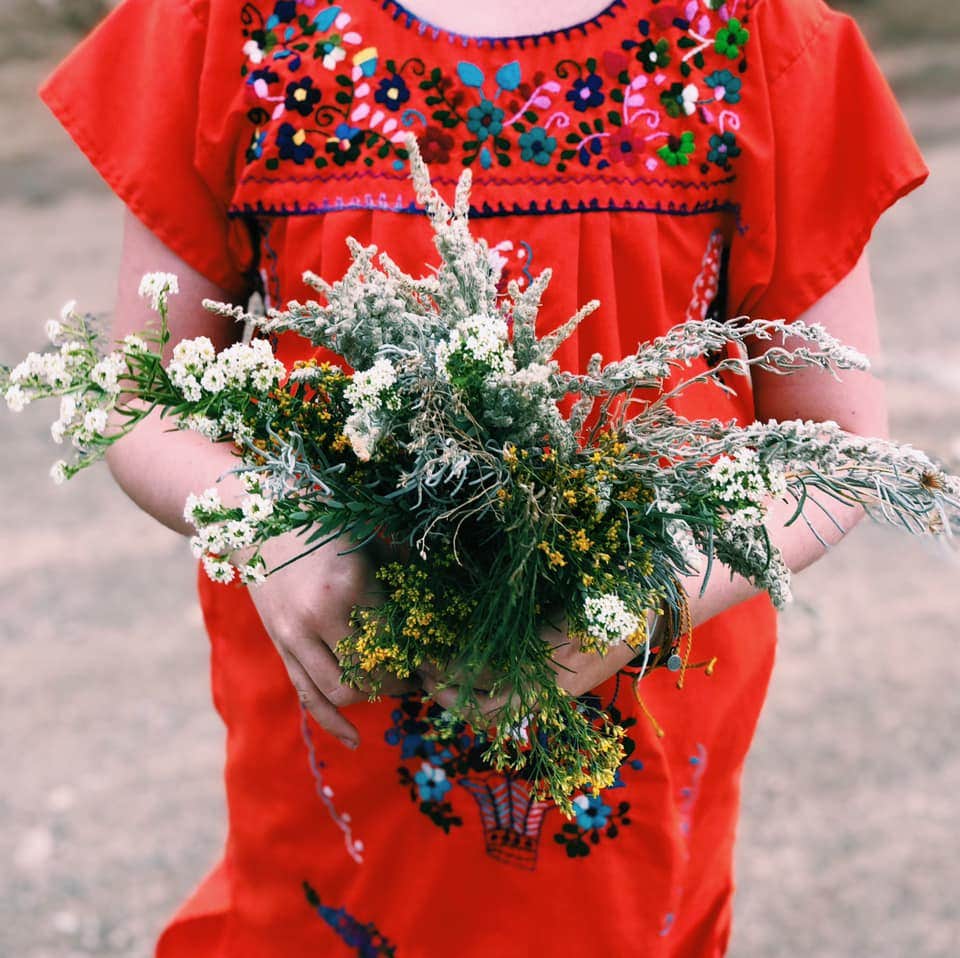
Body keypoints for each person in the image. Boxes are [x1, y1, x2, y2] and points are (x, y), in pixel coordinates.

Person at [37, 0, 927, 954]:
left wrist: (643, 597)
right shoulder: (231, 23)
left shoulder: (747, 35)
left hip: (629, 718)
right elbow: (142, 399)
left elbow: (838, 445)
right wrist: (266, 524)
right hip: (346, 699)